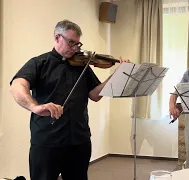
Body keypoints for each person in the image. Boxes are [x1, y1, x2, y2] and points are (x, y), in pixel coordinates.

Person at [9, 19, 128, 180]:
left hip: (79, 140)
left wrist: (116, 75)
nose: (75, 48)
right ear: (57, 37)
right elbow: (17, 86)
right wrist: (35, 107)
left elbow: (95, 95)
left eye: (78, 44)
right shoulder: (39, 63)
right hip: (47, 141)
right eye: (71, 42)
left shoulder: (82, 66)